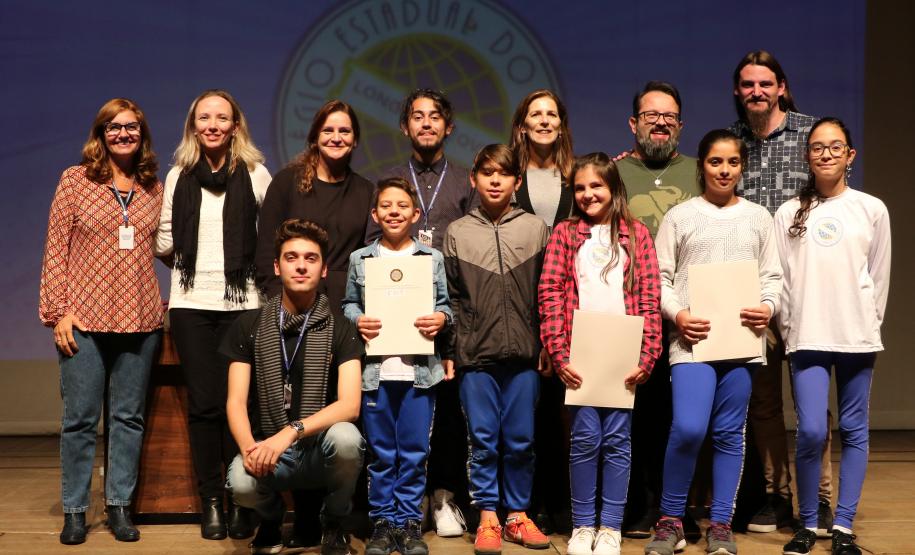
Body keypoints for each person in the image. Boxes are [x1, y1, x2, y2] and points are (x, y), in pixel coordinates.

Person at [645, 129, 782, 555]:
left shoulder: (759, 217)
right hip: (692, 344)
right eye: (715, 162)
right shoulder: (680, 217)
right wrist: (678, 315)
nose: (724, 170)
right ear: (701, 165)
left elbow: (772, 277)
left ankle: (720, 523)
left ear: (742, 167)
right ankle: (670, 520)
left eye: (733, 162)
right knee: (687, 428)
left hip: (741, 344)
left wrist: (768, 306)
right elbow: (660, 279)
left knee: (728, 433)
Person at [39, 98, 163, 545]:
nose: (123, 134)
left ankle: (119, 507)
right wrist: (58, 312)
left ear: (142, 134)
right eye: (113, 127)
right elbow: (56, 248)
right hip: (84, 321)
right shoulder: (75, 181)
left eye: (131, 127)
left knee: (128, 419)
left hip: (141, 319)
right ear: (101, 133)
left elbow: (166, 247)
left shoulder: (154, 187)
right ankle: (75, 510)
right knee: (80, 420)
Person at [154, 89, 270, 540]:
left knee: (240, 405)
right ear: (193, 126)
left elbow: (267, 240)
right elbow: (164, 241)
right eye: (205, 118)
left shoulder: (257, 175)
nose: (214, 125)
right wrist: (195, 269)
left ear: (235, 125)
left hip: (244, 305)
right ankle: (212, 502)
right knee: (204, 406)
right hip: (191, 306)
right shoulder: (178, 176)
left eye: (222, 118)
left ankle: (242, 497)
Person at [729, 50, 833, 536]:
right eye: (748, 84)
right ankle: (777, 497)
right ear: (738, 91)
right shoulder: (730, 143)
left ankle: (822, 499)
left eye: (765, 84)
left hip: (807, 285)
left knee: (812, 405)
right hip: (753, 292)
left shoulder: (812, 136)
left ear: (782, 87)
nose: (757, 92)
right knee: (764, 403)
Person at [366, 88, 477, 537]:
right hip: (397, 322)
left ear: (448, 128)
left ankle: (444, 497)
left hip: (447, 312)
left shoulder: (465, 180)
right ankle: (390, 509)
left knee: (448, 410)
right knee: (400, 415)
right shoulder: (390, 180)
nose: (426, 123)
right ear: (405, 126)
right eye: (417, 116)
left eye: (435, 117)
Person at [539, 152, 661, 555]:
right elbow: (551, 292)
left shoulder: (635, 234)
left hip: (623, 352)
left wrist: (646, 355)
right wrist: (559, 352)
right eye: (580, 188)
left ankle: (610, 526)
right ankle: (583, 525)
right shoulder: (564, 233)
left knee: (618, 440)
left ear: (613, 188)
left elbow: (648, 295)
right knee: (585, 438)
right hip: (580, 352)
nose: (589, 194)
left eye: (597, 186)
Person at [777, 118, 890, 555]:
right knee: (809, 432)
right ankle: (809, 523)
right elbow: (782, 280)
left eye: (835, 146)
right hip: (807, 336)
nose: (826, 154)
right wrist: (790, 327)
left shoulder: (872, 209)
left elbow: (878, 276)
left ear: (850, 155)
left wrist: (867, 323)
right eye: (817, 147)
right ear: (807, 156)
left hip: (856, 337)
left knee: (855, 429)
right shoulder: (789, 212)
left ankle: (843, 526)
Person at [222, 219, 366, 555]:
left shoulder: (342, 328)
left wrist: (290, 432)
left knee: (348, 439)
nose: (301, 265)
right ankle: (270, 519)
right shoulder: (250, 325)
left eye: (311, 258)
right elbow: (235, 402)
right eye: (291, 257)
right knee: (240, 482)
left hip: (317, 450)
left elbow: (350, 405)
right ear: (277, 265)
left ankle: (333, 521)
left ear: (324, 269)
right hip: (273, 453)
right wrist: (250, 450)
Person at [443, 144, 551, 555]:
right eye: (486, 173)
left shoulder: (536, 228)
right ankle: (488, 517)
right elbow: (451, 298)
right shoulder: (457, 231)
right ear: (473, 179)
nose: (494, 180)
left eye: (503, 174)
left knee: (521, 439)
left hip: (525, 354)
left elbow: (548, 293)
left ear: (516, 182)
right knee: (483, 439)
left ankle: (517, 515)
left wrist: (545, 342)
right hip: (476, 356)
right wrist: (452, 348)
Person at [344, 177, 454, 555]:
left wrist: (440, 317)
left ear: (415, 212)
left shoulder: (430, 258)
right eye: (386, 206)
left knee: (413, 452)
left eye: (402, 205)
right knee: (381, 454)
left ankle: (408, 523)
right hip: (375, 373)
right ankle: (381, 523)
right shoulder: (362, 259)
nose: (394, 211)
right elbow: (348, 305)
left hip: (418, 374)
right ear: (375, 214)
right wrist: (357, 318)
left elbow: (446, 306)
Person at [615, 81, 702, 540]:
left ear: (681, 126)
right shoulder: (616, 174)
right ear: (633, 124)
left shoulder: (699, 172)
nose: (661, 123)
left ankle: (678, 507)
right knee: (637, 418)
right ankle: (640, 505)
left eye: (669, 116)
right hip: (631, 317)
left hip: (688, 317)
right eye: (651, 115)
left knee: (680, 422)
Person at [509, 88, 575, 534]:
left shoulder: (578, 176)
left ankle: (562, 502)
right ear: (523, 125)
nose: (545, 120)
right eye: (536, 114)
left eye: (552, 114)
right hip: (520, 308)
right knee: (527, 414)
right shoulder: (508, 177)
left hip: (570, 310)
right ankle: (525, 505)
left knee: (563, 413)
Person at [255, 100, 374, 309]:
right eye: (328, 130)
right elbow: (266, 248)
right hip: (293, 301)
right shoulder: (286, 183)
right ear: (315, 138)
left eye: (344, 131)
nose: (336, 138)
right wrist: (279, 301)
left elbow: (371, 255)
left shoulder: (366, 191)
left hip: (348, 306)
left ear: (354, 140)